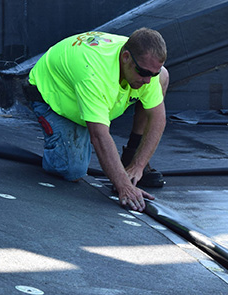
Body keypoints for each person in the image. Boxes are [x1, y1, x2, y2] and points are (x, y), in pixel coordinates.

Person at [24, 28, 169, 212]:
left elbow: (158, 118)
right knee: (72, 170)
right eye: (143, 72)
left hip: (94, 91)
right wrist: (125, 187)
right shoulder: (93, 72)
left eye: (151, 74)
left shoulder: (142, 64)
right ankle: (60, 140)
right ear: (125, 57)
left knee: (163, 75)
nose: (148, 80)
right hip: (53, 96)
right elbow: (99, 136)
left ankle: (130, 154)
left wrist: (137, 166)